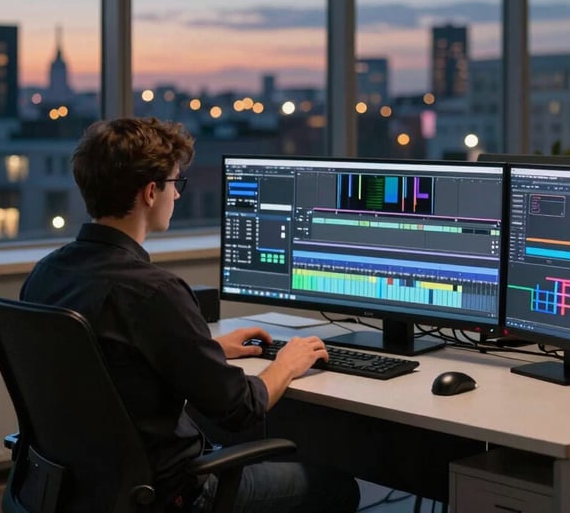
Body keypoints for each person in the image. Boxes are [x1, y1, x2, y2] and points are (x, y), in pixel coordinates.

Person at [20, 116, 360, 513]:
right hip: (173, 493)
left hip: (79, 487)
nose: (177, 196)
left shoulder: (46, 273)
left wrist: (204, 349)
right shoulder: (154, 291)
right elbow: (240, 410)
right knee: (337, 487)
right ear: (151, 192)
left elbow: (107, 364)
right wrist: (286, 364)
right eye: (174, 184)